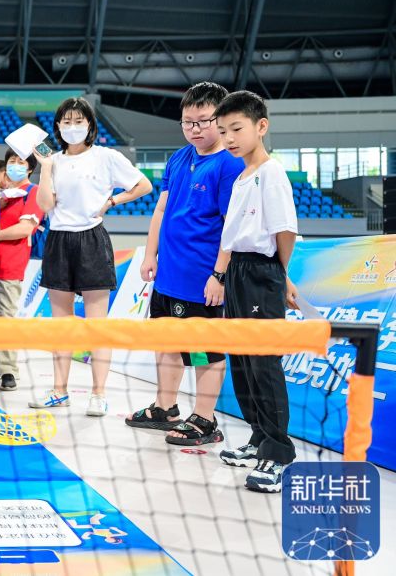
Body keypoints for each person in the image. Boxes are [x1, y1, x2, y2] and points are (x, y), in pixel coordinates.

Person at [126, 82, 243, 446]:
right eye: (188, 121)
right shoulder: (179, 158)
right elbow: (161, 209)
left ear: (220, 120)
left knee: (206, 352)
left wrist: (219, 275)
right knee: (166, 342)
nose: (195, 128)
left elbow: (232, 225)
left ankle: (205, 419)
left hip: (203, 277)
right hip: (168, 275)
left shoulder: (229, 164)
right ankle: (165, 408)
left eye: (203, 121)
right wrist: (150, 254)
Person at [31, 97, 151, 416]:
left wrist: (112, 202)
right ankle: (59, 391)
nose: (72, 127)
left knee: (97, 326)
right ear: (58, 127)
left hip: (92, 241)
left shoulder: (106, 157)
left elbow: (143, 185)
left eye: (78, 121)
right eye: (66, 121)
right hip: (58, 241)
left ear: (90, 125)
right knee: (61, 326)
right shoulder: (53, 161)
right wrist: (45, 169)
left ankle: (99, 393)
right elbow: (44, 205)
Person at [214, 91, 300, 494]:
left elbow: (284, 231)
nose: (229, 138)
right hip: (237, 272)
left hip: (261, 272)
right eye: (223, 131)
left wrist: (280, 276)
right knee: (243, 363)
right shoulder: (241, 177)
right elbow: (231, 236)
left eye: (236, 128)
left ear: (261, 126)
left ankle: (278, 452)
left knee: (264, 364)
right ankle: (258, 437)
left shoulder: (272, 172)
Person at [0, 148, 43, 392]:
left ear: (30, 168)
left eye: (21, 161)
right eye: (12, 161)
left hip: (10, 264)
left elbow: (24, 229)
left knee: (5, 318)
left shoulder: (33, 192)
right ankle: (1, 364)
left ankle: (9, 371)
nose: (15, 165)